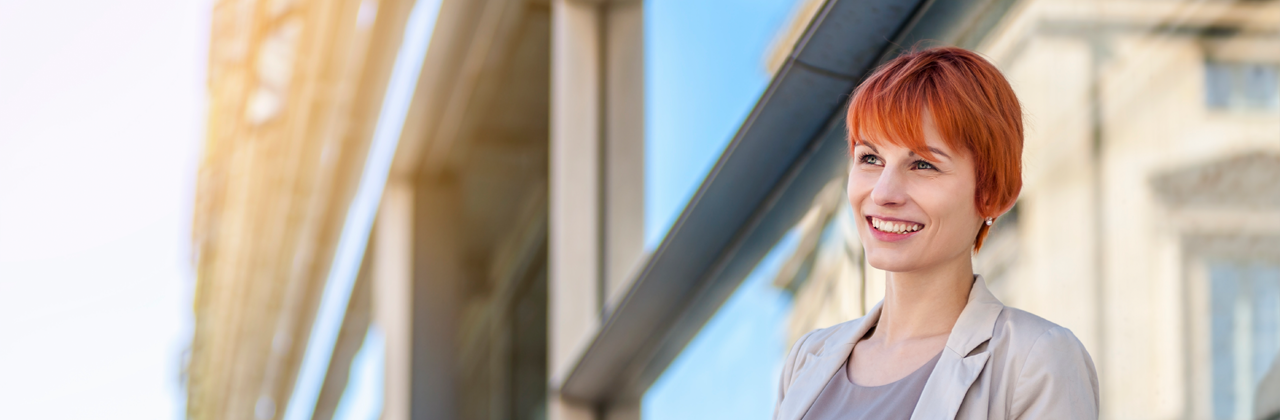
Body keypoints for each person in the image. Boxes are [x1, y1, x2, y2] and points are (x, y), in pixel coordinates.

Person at [773, 47, 1099, 420]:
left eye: (923, 164)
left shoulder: (1034, 360)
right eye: (870, 158)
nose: (882, 193)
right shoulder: (807, 359)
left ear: (991, 194)